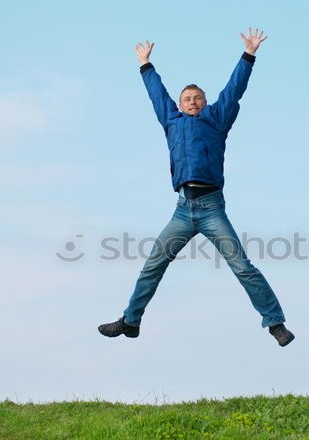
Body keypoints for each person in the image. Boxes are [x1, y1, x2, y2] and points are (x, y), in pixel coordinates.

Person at [98, 28, 294, 347]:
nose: (192, 102)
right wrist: (145, 64)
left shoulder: (216, 119)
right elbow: (157, 94)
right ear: (180, 104)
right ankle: (130, 322)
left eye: (197, 98)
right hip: (182, 209)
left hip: (211, 208)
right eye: (187, 99)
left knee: (242, 266)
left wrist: (249, 55)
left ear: (204, 103)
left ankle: (275, 324)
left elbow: (234, 90)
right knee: (153, 265)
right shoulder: (171, 121)